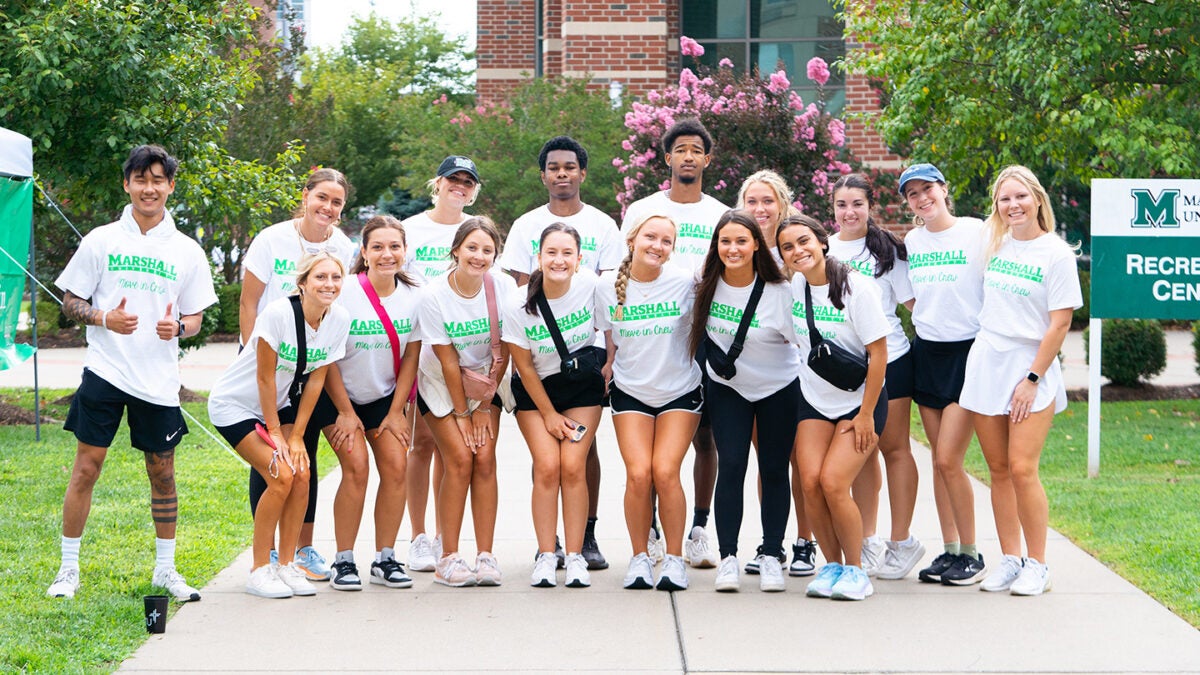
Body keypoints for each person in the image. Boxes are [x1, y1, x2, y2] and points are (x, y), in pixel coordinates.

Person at [48, 144, 217, 601]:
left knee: (162, 472)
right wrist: (105, 318)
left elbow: (197, 318)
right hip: (105, 371)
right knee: (87, 466)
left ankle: (166, 570)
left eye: (158, 180)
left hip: (158, 380)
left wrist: (177, 326)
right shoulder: (102, 240)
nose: (149, 188)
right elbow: (69, 302)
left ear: (170, 187)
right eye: (140, 179)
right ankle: (67, 570)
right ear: (127, 184)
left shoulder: (187, 251)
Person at [499, 136, 623, 571]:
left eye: (570, 167)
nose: (562, 174)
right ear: (544, 174)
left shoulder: (603, 227)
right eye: (554, 167)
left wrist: (609, 363)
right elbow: (520, 285)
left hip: (582, 371)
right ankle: (546, 544)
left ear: (582, 173)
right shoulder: (525, 226)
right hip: (538, 372)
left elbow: (608, 301)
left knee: (582, 457)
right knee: (547, 462)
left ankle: (583, 537)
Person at [960, 166, 1081, 596]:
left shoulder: (1057, 253)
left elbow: (1060, 323)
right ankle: (1010, 559)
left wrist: (1032, 378)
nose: (1013, 205)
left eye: (1020, 197)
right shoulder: (993, 246)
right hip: (987, 361)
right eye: (1004, 199)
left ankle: (1038, 564)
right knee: (997, 470)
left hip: (1031, 366)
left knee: (1023, 468)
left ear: (1037, 200)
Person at [208, 253, 351, 598]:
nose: (328, 284)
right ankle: (260, 569)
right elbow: (264, 377)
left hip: (283, 405)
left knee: (301, 471)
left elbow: (316, 380)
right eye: (320, 277)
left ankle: (287, 565)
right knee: (280, 474)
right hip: (237, 405)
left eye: (335, 277)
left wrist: (298, 435)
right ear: (302, 283)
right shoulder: (277, 314)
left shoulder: (339, 319)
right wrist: (276, 433)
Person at [239, 167, 356, 582]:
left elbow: (336, 301)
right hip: (272, 363)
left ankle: (301, 549)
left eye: (336, 202)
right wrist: (256, 359)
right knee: (270, 462)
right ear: (305, 195)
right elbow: (249, 303)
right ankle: (267, 552)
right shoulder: (272, 239)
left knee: (303, 452)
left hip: (311, 367)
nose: (327, 207)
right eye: (322, 197)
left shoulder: (344, 246)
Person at [621, 118, 728, 569]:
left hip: (706, 331)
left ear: (707, 159)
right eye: (679, 149)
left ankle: (698, 526)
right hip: (655, 334)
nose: (687, 156)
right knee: (644, 461)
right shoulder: (642, 209)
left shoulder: (719, 211)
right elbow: (623, 274)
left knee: (706, 437)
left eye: (695, 150)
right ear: (667, 158)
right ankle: (651, 533)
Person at [777, 214, 890, 601]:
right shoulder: (796, 286)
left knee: (834, 483)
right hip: (814, 400)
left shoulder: (857, 287)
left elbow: (878, 355)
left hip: (861, 402)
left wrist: (864, 416)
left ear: (822, 242)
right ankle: (832, 565)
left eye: (804, 241)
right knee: (809, 482)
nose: (798, 251)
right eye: (788, 247)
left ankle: (857, 570)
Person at [690, 209, 800, 593]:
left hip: (778, 389)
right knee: (732, 464)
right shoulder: (705, 283)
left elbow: (803, 344)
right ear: (715, 245)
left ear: (756, 244)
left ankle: (771, 554)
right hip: (728, 388)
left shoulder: (781, 293)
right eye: (725, 241)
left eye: (741, 241)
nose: (733, 248)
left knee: (773, 469)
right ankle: (729, 558)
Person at [595, 214, 703, 591]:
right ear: (632, 240)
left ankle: (674, 560)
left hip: (679, 390)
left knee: (665, 471)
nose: (658, 246)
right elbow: (608, 330)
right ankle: (640, 557)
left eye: (666, 241)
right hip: (631, 391)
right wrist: (609, 360)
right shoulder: (606, 286)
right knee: (639, 473)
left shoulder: (685, 284)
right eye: (650, 237)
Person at [314, 216, 423, 590]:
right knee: (356, 468)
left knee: (396, 468)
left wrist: (396, 413)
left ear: (405, 251)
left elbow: (411, 357)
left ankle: (386, 557)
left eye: (394, 246)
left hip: (384, 400)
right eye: (377, 247)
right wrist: (345, 412)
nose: (386, 254)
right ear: (363, 252)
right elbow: (325, 358)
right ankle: (343, 560)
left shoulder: (414, 296)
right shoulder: (342, 291)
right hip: (336, 397)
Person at [828, 173, 925, 580]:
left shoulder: (887, 252)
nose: (849, 212)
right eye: (841, 205)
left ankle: (901, 542)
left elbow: (914, 304)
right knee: (861, 449)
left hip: (891, 360)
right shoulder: (823, 248)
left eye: (857, 204)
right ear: (832, 208)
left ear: (871, 207)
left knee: (894, 448)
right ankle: (868, 540)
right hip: (843, 369)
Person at [900, 163, 989, 585]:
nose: (922, 198)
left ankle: (972, 554)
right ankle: (951, 550)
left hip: (967, 354)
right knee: (938, 462)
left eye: (927, 189)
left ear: (943, 189)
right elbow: (913, 297)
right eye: (912, 194)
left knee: (949, 459)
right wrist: (933, 320)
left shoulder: (977, 231)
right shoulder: (913, 241)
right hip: (928, 353)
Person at [504, 224, 606, 588]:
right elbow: (524, 366)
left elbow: (612, 330)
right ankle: (548, 555)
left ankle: (576, 555)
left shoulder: (592, 288)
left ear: (580, 260)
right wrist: (548, 414)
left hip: (581, 389)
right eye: (551, 253)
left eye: (567, 254)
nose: (558, 260)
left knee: (573, 465)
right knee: (548, 467)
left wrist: (609, 368)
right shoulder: (517, 302)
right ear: (539, 257)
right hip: (536, 393)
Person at [413, 216, 514, 587]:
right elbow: (446, 360)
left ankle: (485, 555)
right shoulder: (434, 294)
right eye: (472, 247)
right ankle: (448, 558)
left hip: (488, 380)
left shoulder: (502, 288)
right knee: (458, 459)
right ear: (455, 250)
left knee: (485, 459)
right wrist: (462, 414)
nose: (479, 255)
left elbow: (505, 351)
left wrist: (484, 408)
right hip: (442, 383)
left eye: (487, 250)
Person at [734, 170, 817, 578]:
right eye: (752, 201)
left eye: (767, 201)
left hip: (801, 375)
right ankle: (773, 544)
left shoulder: (794, 247)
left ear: (782, 204)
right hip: (757, 376)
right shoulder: (740, 248)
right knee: (769, 463)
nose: (760, 209)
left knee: (802, 462)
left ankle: (806, 541)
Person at [402, 155, 481, 573]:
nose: (460, 187)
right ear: (439, 183)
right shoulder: (413, 229)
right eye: (454, 179)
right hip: (420, 352)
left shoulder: (475, 228)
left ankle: (439, 534)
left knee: (453, 453)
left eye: (467, 182)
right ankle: (417, 537)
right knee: (422, 445)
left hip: (462, 356)